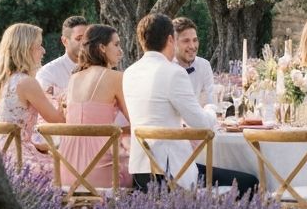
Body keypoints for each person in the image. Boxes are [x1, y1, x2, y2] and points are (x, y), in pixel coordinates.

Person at [123, 13, 257, 195]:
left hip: (142, 174)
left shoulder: (130, 73)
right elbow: (202, 125)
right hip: (173, 174)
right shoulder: (173, 72)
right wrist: (211, 108)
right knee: (250, 182)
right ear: (171, 40)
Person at [60, 24, 132, 188]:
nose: (120, 50)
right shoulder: (115, 77)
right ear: (102, 47)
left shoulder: (73, 78)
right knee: (144, 168)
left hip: (68, 170)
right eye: (116, 44)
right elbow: (135, 121)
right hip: (99, 172)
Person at [0, 23, 65, 170]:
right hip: (19, 159)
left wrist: (35, 145)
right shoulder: (26, 82)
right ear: (25, 49)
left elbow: (8, 125)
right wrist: (63, 101)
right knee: (72, 168)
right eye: (39, 45)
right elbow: (57, 120)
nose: (43, 50)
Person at [35, 15, 88, 95]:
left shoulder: (99, 69)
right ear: (65, 41)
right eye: (79, 39)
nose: (85, 43)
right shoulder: (48, 72)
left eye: (88, 38)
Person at [173, 17, 214, 105]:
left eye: (195, 40)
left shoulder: (204, 65)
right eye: (186, 41)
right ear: (173, 43)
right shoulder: (166, 68)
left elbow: (209, 102)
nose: (192, 46)